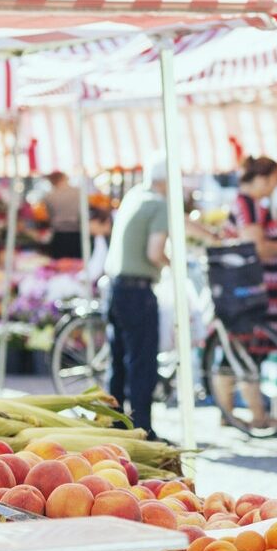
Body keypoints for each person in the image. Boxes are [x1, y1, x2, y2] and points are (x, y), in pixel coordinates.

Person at [106, 160, 171, 440]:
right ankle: (143, 429)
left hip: (115, 287)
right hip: (138, 291)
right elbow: (155, 251)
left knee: (118, 361)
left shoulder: (134, 197)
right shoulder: (159, 204)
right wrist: (173, 264)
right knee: (142, 362)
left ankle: (115, 423)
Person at [233, 156, 277, 320]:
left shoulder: (251, 204)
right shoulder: (248, 205)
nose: (276, 186)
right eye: (275, 179)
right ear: (262, 178)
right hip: (258, 289)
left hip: (262, 288)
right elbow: (258, 249)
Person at [42, 172, 85, 259]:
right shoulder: (79, 192)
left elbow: (49, 216)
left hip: (59, 235)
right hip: (77, 234)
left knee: (60, 266)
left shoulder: (49, 196)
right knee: (77, 265)